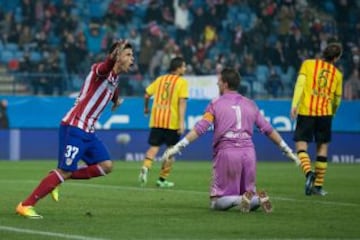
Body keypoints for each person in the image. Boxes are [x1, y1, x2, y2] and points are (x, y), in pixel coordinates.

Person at [16, 40, 134, 219]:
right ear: (117, 56)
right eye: (128, 55)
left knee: (106, 166)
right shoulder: (99, 70)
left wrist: (115, 100)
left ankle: (59, 179)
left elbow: (111, 87)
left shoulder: (115, 79)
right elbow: (105, 68)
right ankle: (25, 205)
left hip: (88, 132)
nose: (132, 59)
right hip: (74, 127)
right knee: (65, 170)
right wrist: (112, 58)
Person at [162, 67, 299, 213]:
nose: (217, 84)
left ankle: (240, 199)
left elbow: (201, 128)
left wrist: (178, 147)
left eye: (219, 81)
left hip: (227, 153)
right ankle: (257, 198)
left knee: (216, 202)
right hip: (249, 154)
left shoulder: (215, 104)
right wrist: (287, 150)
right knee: (247, 194)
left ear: (225, 84)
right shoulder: (250, 104)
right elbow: (268, 129)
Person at [290, 42, 343, 196]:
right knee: (322, 148)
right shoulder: (337, 75)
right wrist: (332, 112)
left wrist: (295, 104)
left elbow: (300, 84)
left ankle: (308, 173)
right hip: (325, 113)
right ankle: (318, 186)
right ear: (337, 58)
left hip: (307, 111)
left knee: (301, 146)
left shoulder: (308, 64)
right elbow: (337, 99)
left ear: (323, 52)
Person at [138, 56, 189, 188]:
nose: (185, 68)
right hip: (172, 122)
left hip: (157, 120)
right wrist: (181, 123)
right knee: (171, 151)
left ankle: (145, 167)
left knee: (154, 147)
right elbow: (182, 102)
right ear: (178, 68)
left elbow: (146, 95)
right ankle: (162, 180)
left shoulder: (160, 79)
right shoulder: (182, 82)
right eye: (183, 66)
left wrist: (146, 108)